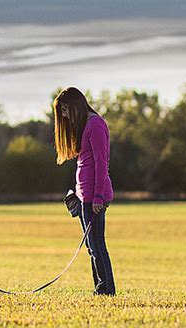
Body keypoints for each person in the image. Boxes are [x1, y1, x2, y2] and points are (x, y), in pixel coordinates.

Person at [53, 87, 116, 295]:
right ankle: (100, 288)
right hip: (83, 195)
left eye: (65, 110)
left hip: (94, 196)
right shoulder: (85, 126)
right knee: (92, 247)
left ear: (75, 105)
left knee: (97, 245)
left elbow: (101, 162)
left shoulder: (95, 124)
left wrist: (98, 196)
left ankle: (107, 290)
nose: (64, 115)